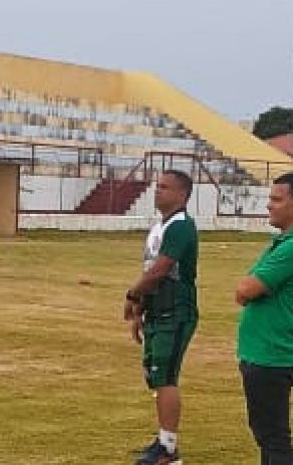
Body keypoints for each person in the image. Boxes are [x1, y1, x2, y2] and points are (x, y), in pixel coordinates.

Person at [124, 170, 198, 465]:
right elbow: (150, 271)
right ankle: (164, 439)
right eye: (157, 187)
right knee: (154, 375)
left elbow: (160, 270)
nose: (158, 192)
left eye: (165, 188)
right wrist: (141, 307)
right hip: (158, 311)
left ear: (182, 195)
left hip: (175, 312)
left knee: (165, 376)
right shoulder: (160, 227)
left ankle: (168, 449)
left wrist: (131, 295)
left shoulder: (181, 226)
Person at [236, 172, 293, 465]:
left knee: (273, 438)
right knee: (273, 437)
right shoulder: (281, 244)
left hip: (270, 354)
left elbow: (246, 288)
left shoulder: (289, 249)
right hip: (274, 350)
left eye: (276, 199)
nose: (269, 205)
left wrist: (247, 290)